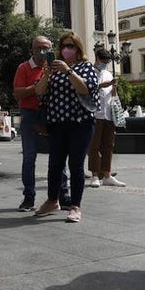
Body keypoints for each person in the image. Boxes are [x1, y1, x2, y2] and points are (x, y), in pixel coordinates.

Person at [33, 32, 100, 223]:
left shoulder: (85, 67)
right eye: (63, 45)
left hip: (80, 123)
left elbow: (85, 89)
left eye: (70, 45)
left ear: (78, 48)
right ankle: (52, 200)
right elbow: (39, 91)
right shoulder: (53, 68)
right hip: (57, 123)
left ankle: (75, 206)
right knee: (54, 165)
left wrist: (69, 72)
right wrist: (47, 74)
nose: (66, 49)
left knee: (76, 165)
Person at [13, 36, 65, 211]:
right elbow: (18, 93)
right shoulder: (24, 67)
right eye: (38, 48)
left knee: (58, 155)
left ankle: (63, 194)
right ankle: (29, 196)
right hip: (30, 115)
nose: (42, 51)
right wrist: (36, 87)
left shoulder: (56, 66)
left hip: (53, 114)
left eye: (46, 48)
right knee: (29, 157)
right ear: (32, 50)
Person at [86, 67, 125, 188]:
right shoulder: (89, 72)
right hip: (95, 114)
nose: (104, 64)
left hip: (109, 114)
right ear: (97, 58)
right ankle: (95, 176)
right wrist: (105, 84)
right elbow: (88, 89)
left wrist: (114, 87)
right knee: (94, 146)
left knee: (108, 145)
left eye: (106, 61)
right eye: (103, 60)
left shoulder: (108, 73)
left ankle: (107, 175)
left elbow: (113, 94)